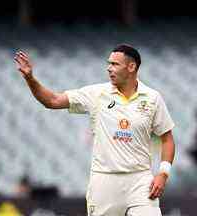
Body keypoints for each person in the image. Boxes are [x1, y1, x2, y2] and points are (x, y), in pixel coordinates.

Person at [14, 44, 175, 216]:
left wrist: (163, 174)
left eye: (114, 64)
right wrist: (30, 79)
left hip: (140, 180)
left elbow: (167, 138)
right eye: (109, 63)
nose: (109, 68)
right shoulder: (96, 93)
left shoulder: (152, 98)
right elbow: (52, 101)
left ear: (131, 67)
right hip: (105, 180)